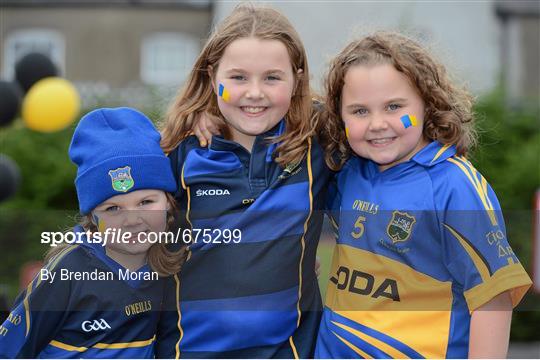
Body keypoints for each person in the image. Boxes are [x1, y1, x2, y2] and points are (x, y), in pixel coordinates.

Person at [314, 32, 532, 358]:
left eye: (393, 106)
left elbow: (493, 299)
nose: (377, 123)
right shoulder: (346, 173)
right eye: (359, 111)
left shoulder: (454, 186)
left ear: (427, 104)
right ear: (340, 116)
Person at [156, 4, 332, 358]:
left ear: (296, 78)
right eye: (238, 78)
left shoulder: (318, 144)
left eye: (272, 77)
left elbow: (378, 121)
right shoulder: (181, 151)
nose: (255, 92)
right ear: (212, 76)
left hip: (291, 350)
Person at [0, 107, 185, 358]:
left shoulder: (169, 265)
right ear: (93, 217)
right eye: (113, 208)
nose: (132, 220)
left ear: (169, 202)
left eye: (146, 202)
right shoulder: (68, 272)